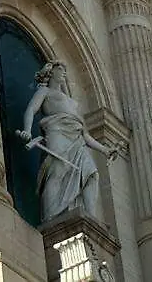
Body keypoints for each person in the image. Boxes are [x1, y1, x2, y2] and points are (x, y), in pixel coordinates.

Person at [17, 61, 117, 221]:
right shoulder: (44, 91)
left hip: (77, 138)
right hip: (57, 133)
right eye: (61, 69)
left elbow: (86, 135)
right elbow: (31, 109)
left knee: (92, 174)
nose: (64, 73)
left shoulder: (70, 102)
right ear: (51, 73)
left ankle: (92, 219)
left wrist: (105, 150)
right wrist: (27, 130)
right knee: (57, 170)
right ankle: (50, 217)